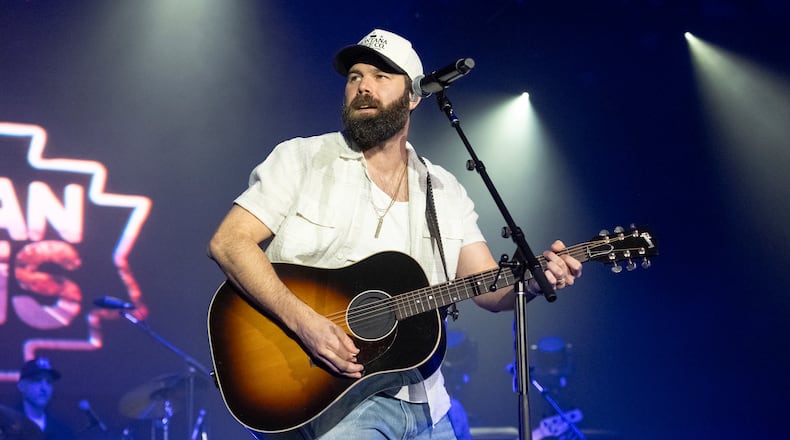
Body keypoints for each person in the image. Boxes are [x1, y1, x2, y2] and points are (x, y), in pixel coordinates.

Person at [208, 28, 582, 439]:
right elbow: (229, 242)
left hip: (428, 405)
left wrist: (533, 281)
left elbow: (489, 289)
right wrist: (304, 322)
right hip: (333, 399)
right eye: (355, 76)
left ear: (414, 96)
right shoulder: (302, 158)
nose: (363, 86)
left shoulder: (444, 189)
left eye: (381, 76)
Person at [15, 357, 75, 440]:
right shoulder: (5, 426)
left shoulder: (64, 432)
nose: (44, 388)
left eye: (49, 382)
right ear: (21, 386)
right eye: (37, 380)